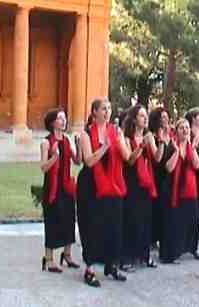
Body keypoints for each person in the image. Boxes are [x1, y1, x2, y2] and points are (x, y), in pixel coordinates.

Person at [77, 98, 131, 287]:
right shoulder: (85, 134)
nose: (107, 112)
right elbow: (89, 161)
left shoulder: (115, 131)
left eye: (109, 108)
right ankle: (90, 269)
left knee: (113, 225)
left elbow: (127, 157)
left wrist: (123, 140)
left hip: (113, 185)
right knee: (92, 226)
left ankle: (111, 265)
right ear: (94, 112)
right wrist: (106, 146)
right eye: (103, 109)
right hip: (90, 186)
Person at [120, 105, 163, 272]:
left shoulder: (148, 136)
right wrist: (140, 147)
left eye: (146, 116)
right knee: (131, 219)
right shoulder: (126, 138)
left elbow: (157, 159)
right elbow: (129, 160)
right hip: (132, 182)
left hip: (146, 183)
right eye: (141, 116)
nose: (145, 119)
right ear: (134, 118)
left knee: (145, 218)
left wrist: (161, 144)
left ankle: (144, 255)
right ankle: (127, 258)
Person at [39, 109, 80, 273]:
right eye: (60, 118)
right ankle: (48, 259)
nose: (64, 121)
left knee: (69, 219)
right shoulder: (46, 142)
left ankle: (67, 255)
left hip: (66, 187)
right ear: (52, 122)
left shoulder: (67, 140)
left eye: (65, 118)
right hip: (52, 188)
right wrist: (54, 157)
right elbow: (43, 167)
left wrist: (78, 146)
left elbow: (77, 161)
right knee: (52, 221)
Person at [159, 118, 199, 264]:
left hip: (190, 189)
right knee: (174, 222)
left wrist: (193, 146)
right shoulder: (171, 145)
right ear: (176, 131)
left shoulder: (191, 146)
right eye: (182, 128)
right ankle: (171, 253)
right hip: (174, 189)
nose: (185, 130)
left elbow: (197, 165)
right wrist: (177, 152)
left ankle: (191, 248)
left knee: (192, 219)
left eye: (187, 128)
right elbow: (168, 168)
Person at [149, 107, 173, 248]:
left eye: (167, 116)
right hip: (157, 175)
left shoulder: (171, 135)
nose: (166, 119)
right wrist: (162, 141)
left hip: (169, 175)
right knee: (157, 207)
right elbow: (157, 159)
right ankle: (153, 238)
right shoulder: (153, 136)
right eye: (162, 117)